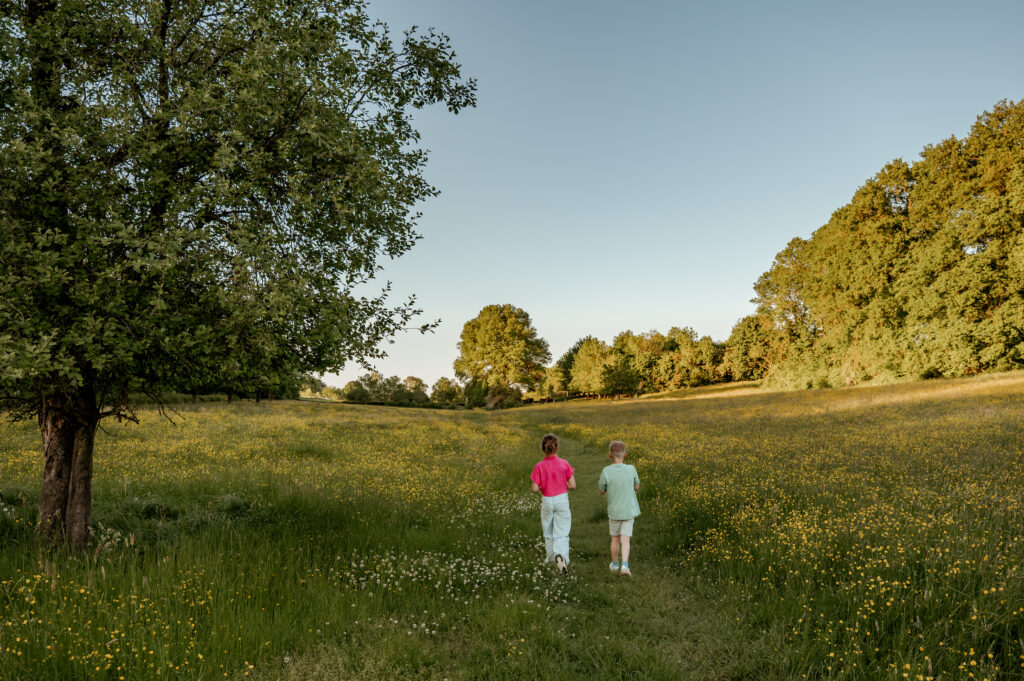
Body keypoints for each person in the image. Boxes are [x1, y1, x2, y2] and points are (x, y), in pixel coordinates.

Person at [530, 433, 576, 574]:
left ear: (543, 448)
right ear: (557, 447)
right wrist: (564, 484)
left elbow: (534, 488)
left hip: (547, 501)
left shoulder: (539, 466)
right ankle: (561, 557)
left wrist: (542, 486)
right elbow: (573, 485)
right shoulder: (564, 463)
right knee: (562, 532)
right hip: (562, 499)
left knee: (548, 531)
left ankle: (550, 559)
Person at [598, 440, 640, 577]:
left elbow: (602, 490)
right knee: (625, 540)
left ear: (610, 455)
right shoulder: (631, 469)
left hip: (614, 512)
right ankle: (625, 566)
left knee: (615, 539)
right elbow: (637, 487)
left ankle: (615, 564)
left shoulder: (606, 471)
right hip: (628, 511)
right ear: (625, 455)